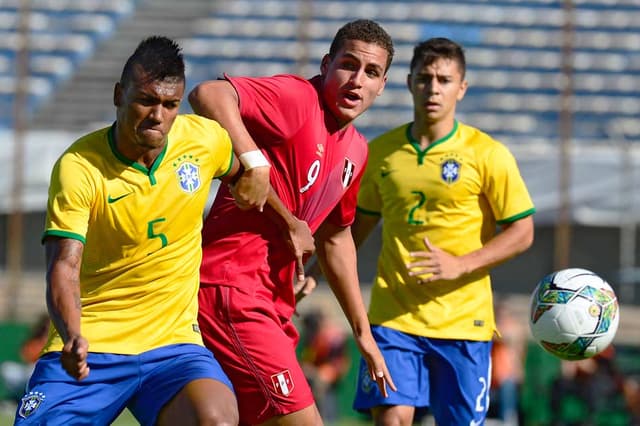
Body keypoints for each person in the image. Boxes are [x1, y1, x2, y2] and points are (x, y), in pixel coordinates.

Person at [13, 36, 257, 426]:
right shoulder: (80, 165)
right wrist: (73, 335)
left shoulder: (203, 140)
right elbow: (62, 266)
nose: (157, 115)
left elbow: (250, 176)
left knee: (216, 419)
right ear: (118, 95)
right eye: (145, 100)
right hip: (93, 343)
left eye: (170, 104)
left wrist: (293, 226)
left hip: (173, 346)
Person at [189, 19, 397, 426]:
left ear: (383, 84)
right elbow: (208, 94)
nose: (357, 80)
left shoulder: (357, 150)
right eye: (348, 65)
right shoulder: (298, 98)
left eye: (371, 72)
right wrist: (254, 163)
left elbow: (337, 239)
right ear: (325, 64)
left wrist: (362, 332)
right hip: (230, 292)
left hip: (274, 308)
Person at [350, 37, 535, 425]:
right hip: (393, 316)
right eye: (425, 78)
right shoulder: (380, 152)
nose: (433, 88)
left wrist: (461, 264)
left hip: (464, 320)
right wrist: (312, 274)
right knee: (391, 418)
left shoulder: (488, 154)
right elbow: (352, 232)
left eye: (445, 80)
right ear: (409, 82)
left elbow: (522, 231)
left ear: (461, 88)